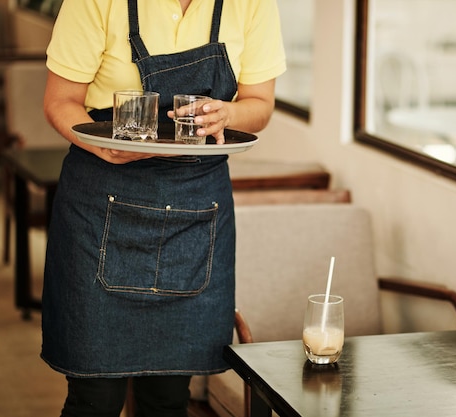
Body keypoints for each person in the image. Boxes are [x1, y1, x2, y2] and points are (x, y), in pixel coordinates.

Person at [41, 0, 286, 416]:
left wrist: (228, 113)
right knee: (95, 399)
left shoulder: (252, 3)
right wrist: (102, 144)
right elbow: (59, 101)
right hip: (102, 202)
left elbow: (259, 103)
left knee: (169, 396)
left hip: (195, 211)